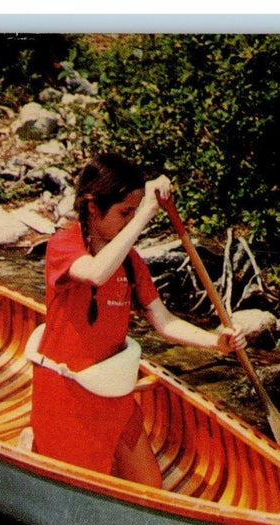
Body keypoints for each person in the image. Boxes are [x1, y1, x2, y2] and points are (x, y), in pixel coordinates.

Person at [28, 153, 247, 488]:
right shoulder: (64, 244)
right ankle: (34, 444)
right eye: (124, 213)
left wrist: (215, 341)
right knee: (86, 489)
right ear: (92, 206)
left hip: (112, 393)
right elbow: (96, 273)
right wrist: (143, 214)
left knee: (150, 487)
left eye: (133, 212)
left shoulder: (130, 262)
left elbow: (163, 320)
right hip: (66, 397)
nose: (129, 221)